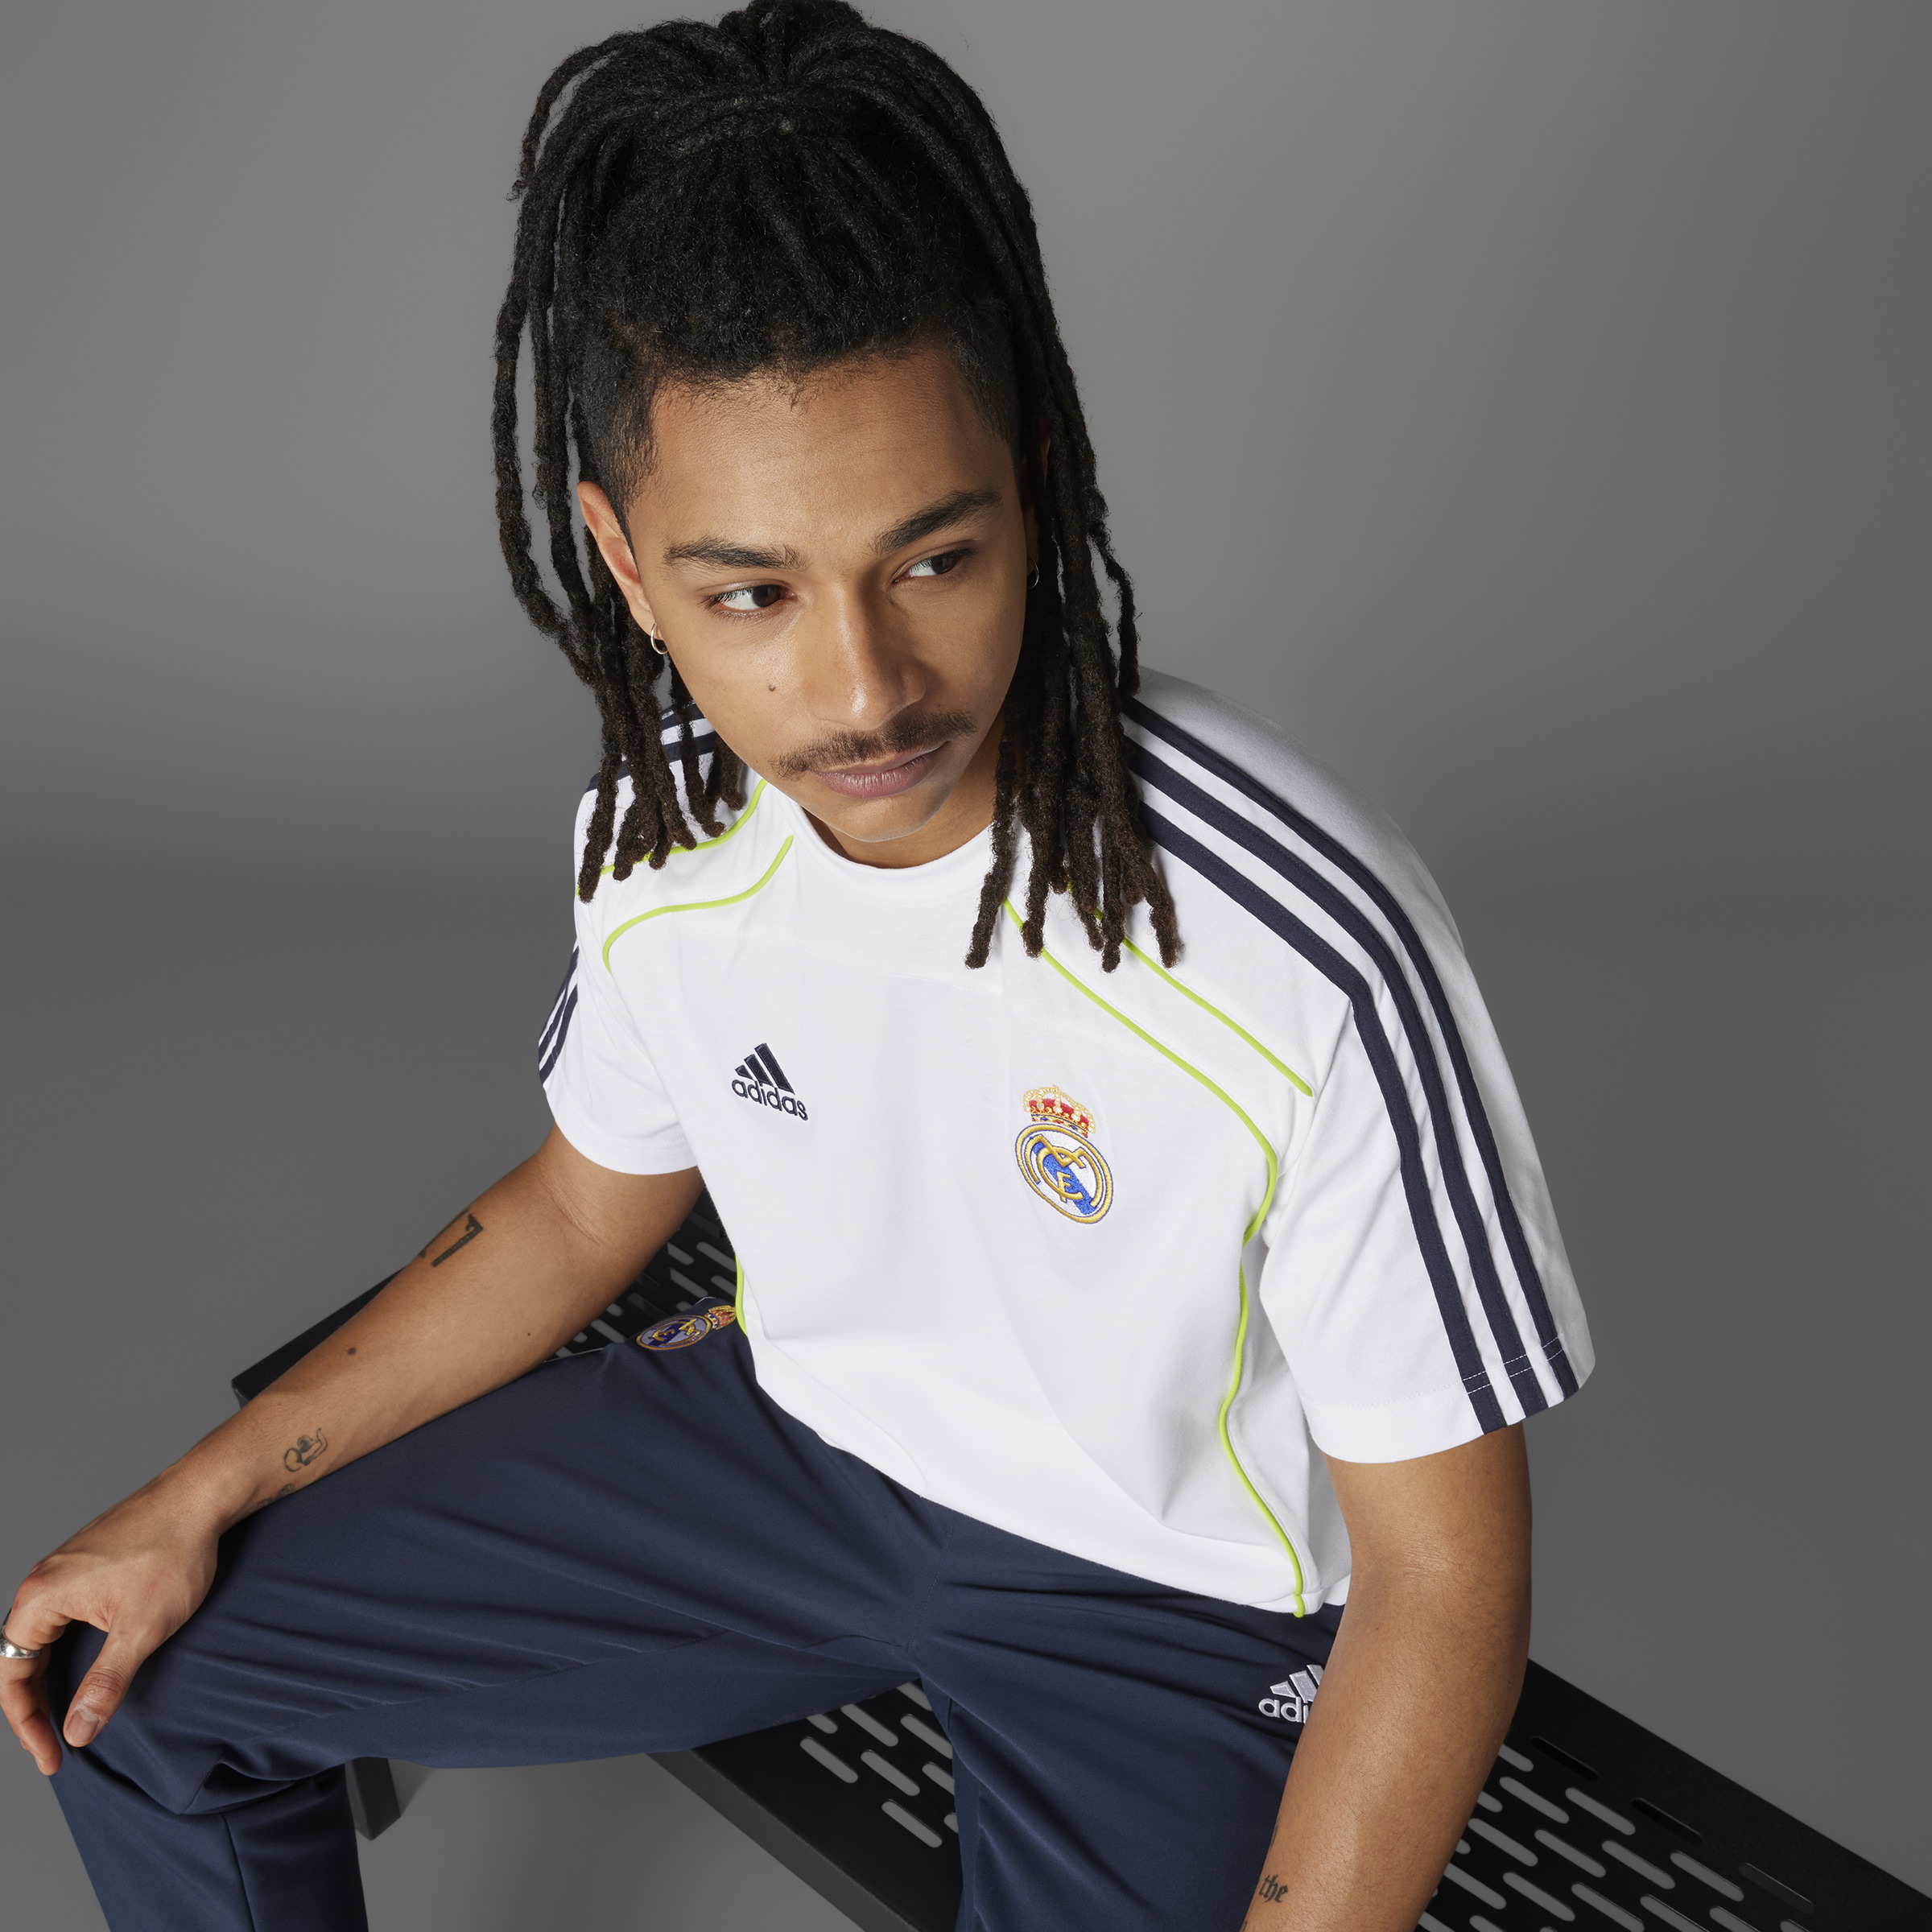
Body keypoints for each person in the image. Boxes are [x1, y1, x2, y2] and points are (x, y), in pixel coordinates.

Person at [1, 5, 1592, 1927]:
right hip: (802, 1457)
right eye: (751, 593)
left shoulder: (1292, 939)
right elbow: (582, 1208)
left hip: (1171, 1598)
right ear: (621, 558)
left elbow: (1446, 1580)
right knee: (132, 1695)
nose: (862, 689)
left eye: (935, 561)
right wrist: (201, 1491)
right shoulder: (664, 835)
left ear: (1037, 485)